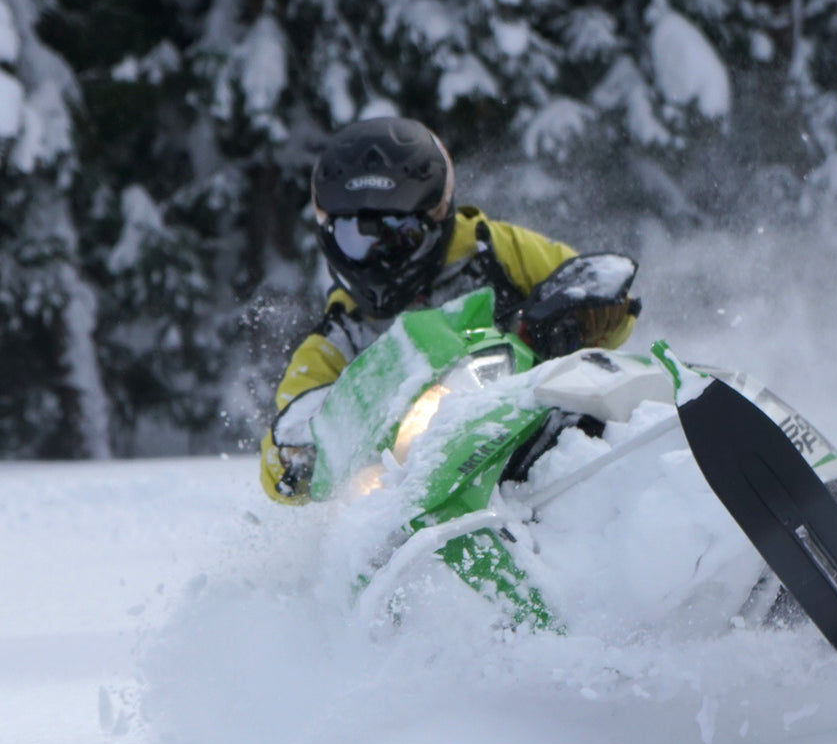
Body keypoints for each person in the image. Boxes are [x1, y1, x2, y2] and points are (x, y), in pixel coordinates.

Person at [260, 116, 640, 502]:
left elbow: (601, 294)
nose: (380, 255)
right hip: (412, 486)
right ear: (328, 234)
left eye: (400, 233)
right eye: (355, 237)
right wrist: (298, 457)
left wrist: (575, 322)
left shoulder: (493, 250)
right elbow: (279, 448)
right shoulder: (337, 338)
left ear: (437, 215)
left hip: (538, 429)